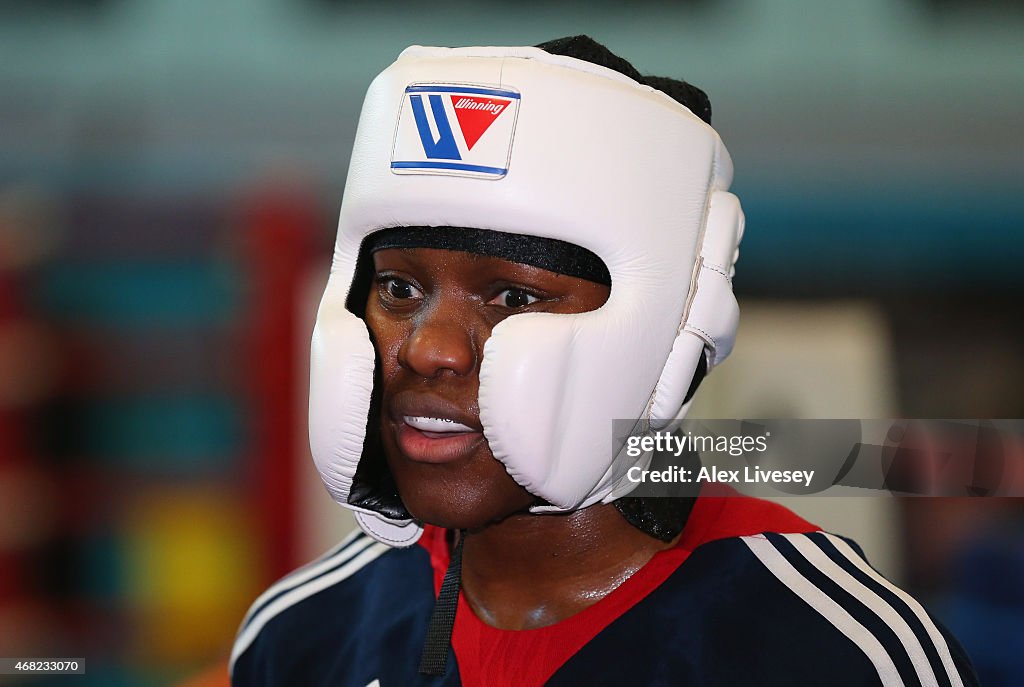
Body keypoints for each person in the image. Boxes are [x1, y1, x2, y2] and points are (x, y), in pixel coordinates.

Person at [229, 36, 979, 686]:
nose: (428, 347)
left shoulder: (835, 651)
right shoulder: (303, 636)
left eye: (513, 297)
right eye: (398, 287)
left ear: (671, 326)